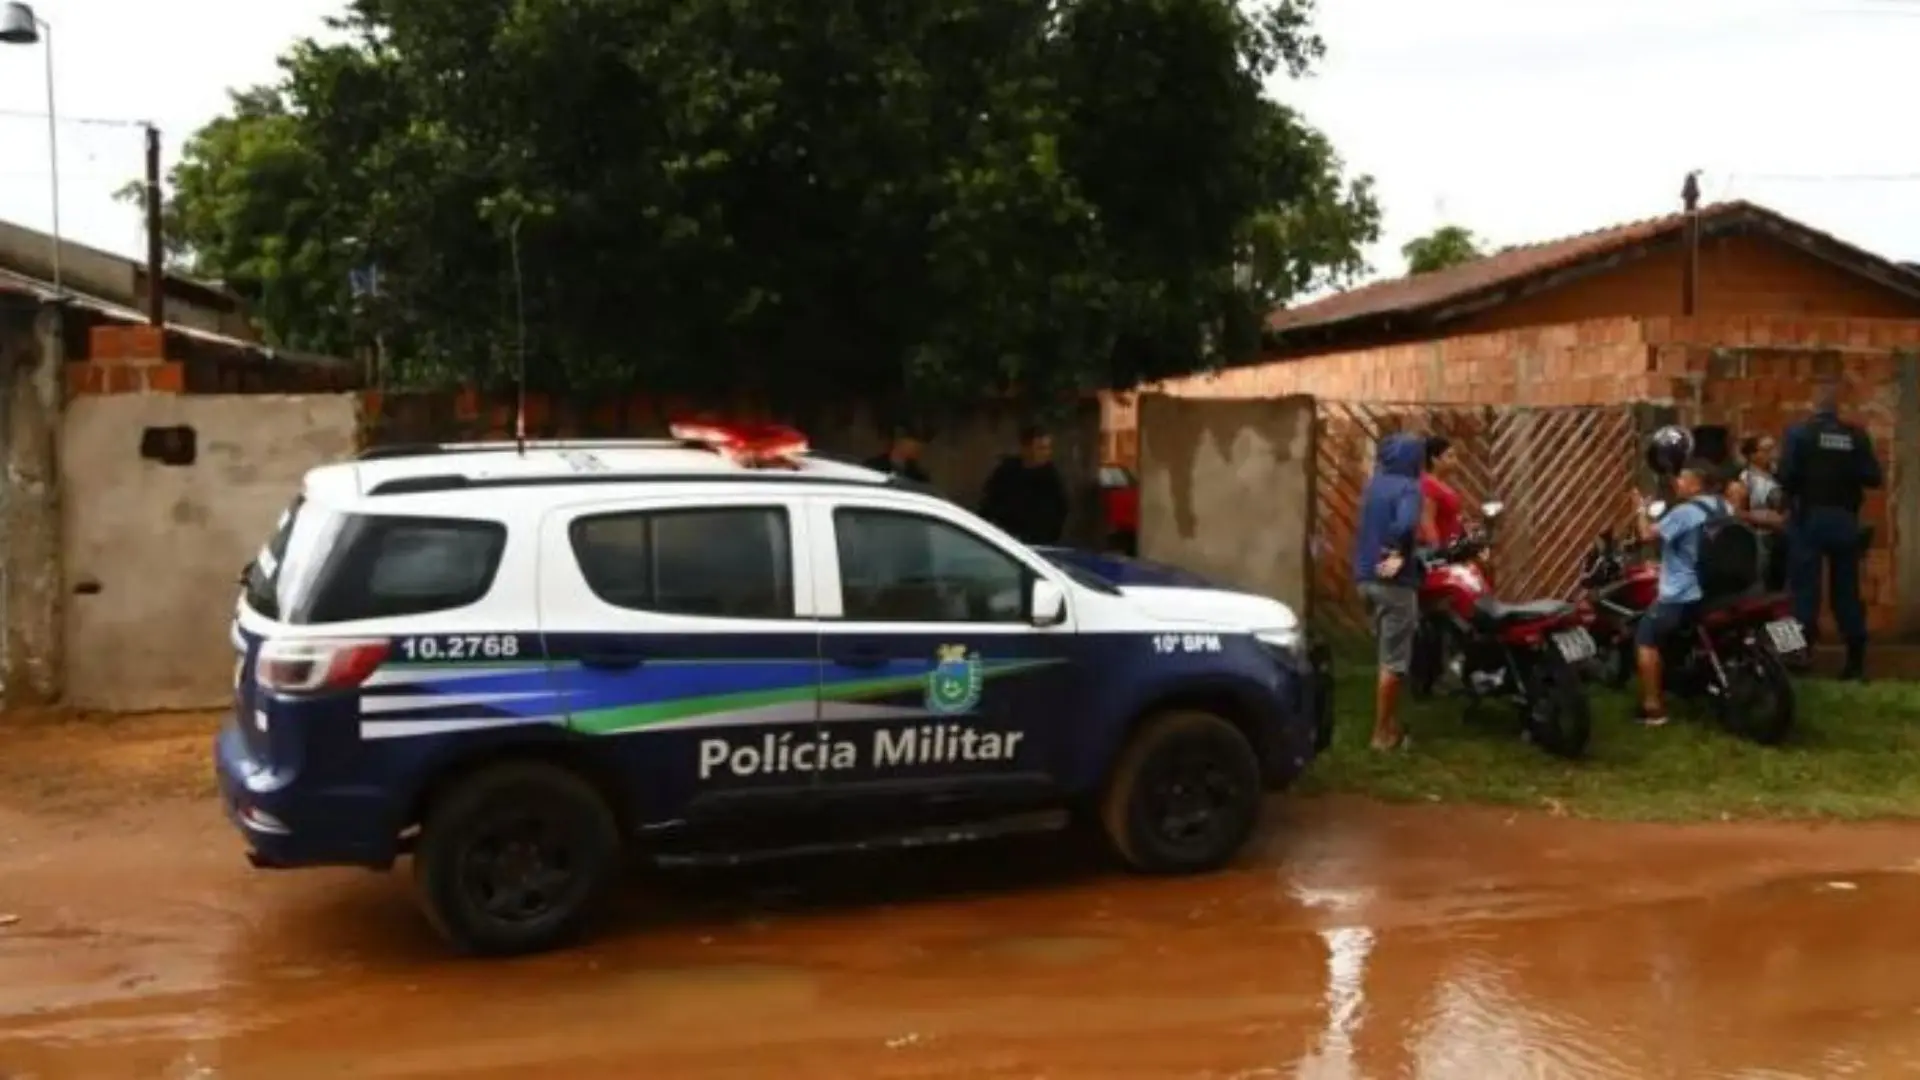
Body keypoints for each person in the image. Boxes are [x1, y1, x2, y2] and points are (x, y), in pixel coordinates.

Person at [1777, 378, 1884, 681]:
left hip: (1809, 519)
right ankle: (1855, 663)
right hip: (1845, 521)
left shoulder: (1799, 434)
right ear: (1837, 408)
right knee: (1847, 593)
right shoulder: (1855, 436)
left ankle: (1798, 659)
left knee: (1801, 592)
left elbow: (1786, 476)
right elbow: (1873, 477)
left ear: (1814, 405)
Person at [1631, 457, 1731, 726]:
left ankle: (1653, 708)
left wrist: (1640, 509)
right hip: (1715, 589)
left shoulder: (1685, 512)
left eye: (1682, 478)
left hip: (1683, 594)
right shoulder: (1724, 506)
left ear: (1696, 484)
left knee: (1646, 638)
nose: (1677, 482)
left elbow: (1646, 535)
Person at [1351, 432, 1424, 752]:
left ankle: (1390, 721)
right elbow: (1406, 524)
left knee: (1386, 656)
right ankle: (1382, 735)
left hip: (1364, 580)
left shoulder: (1373, 486)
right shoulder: (1409, 488)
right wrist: (1396, 551)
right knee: (1393, 662)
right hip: (1394, 584)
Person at [980, 425, 1069, 545]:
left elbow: (1059, 511)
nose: (1046, 453)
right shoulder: (1007, 471)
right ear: (1026, 448)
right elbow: (989, 501)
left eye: (1048, 448)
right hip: (1004, 537)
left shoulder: (1051, 479)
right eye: (1040, 448)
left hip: (1036, 542)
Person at [1729, 434, 1788, 591]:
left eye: (1774, 449)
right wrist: (1765, 519)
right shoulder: (1745, 480)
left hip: (1782, 538)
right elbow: (1736, 512)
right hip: (1760, 539)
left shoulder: (1779, 475)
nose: (1773, 454)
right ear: (1752, 455)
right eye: (1766, 450)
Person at [1417, 435, 1466, 547]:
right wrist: (1437, 552)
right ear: (1434, 460)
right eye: (1450, 456)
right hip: (1440, 552)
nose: (1455, 461)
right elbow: (1427, 522)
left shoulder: (1441, 484)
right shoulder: (1428, 484)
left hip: (1452, 547)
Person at [864, 427, 931, 484]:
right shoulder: (873, 465)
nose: (916, 452)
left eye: (917, 449)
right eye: (910, 447)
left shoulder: (918, 476)